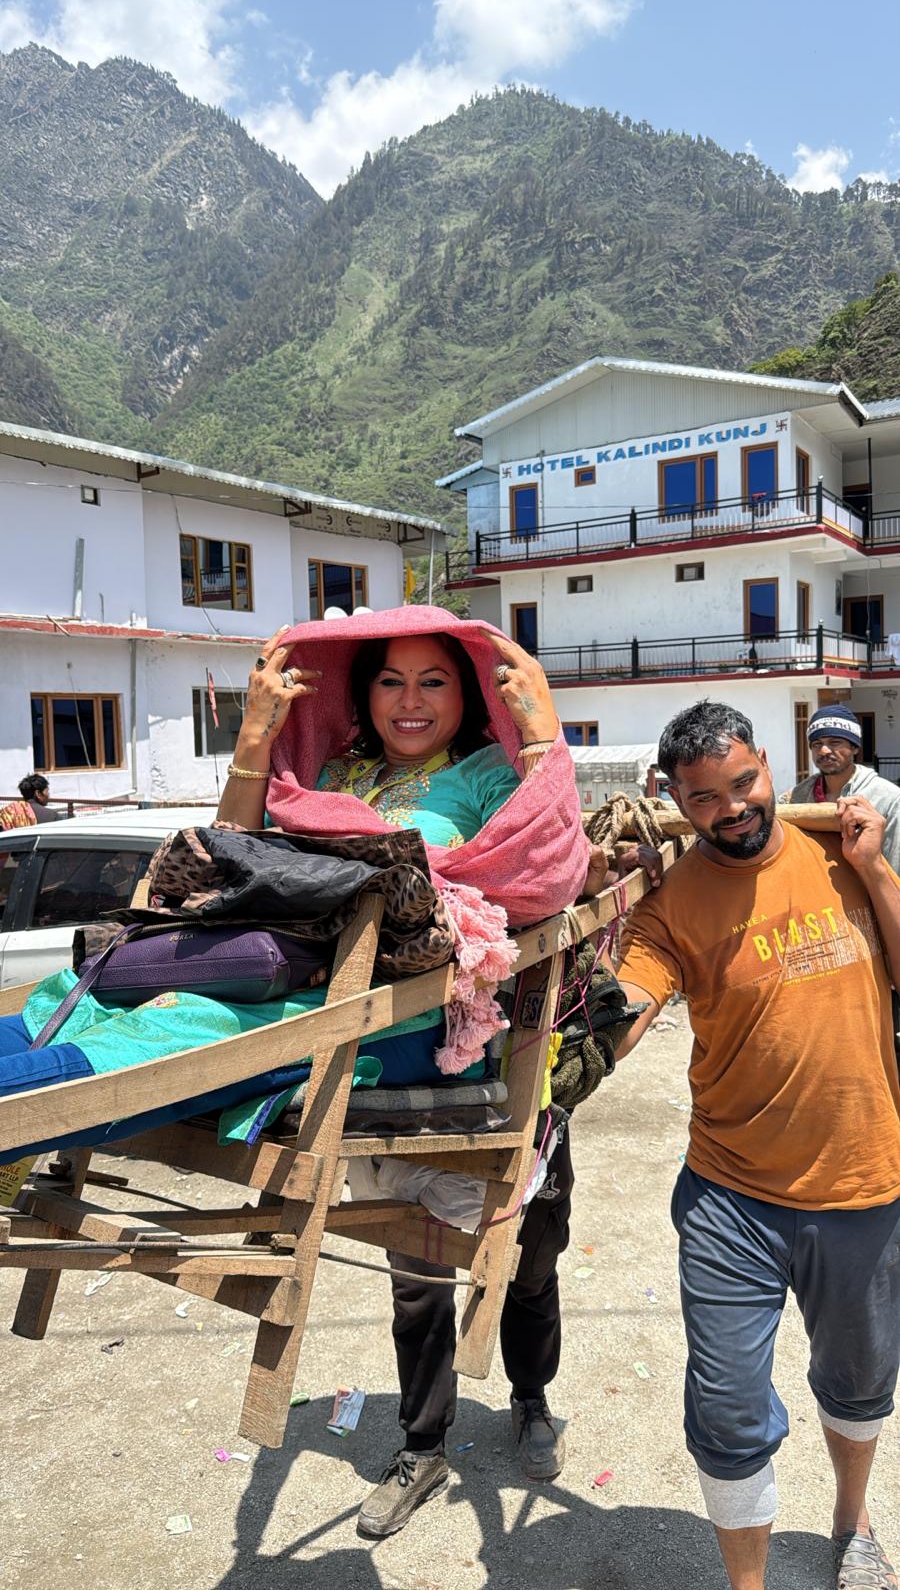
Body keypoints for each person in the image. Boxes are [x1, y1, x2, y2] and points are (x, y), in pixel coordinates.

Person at [0, 607, 610, 1535]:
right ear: (363, 693)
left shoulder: (491, 775)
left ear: (468, 694)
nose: (410, 700)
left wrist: (539, 732)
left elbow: (548, 872)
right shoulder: (333, 777)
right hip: (296, 985)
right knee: (106, 1000)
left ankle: (531, 1397)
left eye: (434, 681)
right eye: (391, 680)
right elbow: (231, 863)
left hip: (406, 1014)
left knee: (528, 1260)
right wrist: (254, 736)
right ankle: (423, 1448)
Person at [612, 700, 900, 1590]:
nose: (733, 808)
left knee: (859, 1383)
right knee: (729, 1412)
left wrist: (875, 868)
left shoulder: (841, 854)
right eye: (705, 798)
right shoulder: (670, 905)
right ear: (675, 799)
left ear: (770, 764)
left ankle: (851, 1523)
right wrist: (592, 948)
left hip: (864, 1180)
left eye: (744, 783)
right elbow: (622, 1014)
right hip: (730, 1197)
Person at [787, 703, 900, 871]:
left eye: (835, 742)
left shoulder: (888, 799)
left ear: (854, 748)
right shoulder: (798, 797)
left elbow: (895, 870)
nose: (824, 750)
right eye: (817, 744)